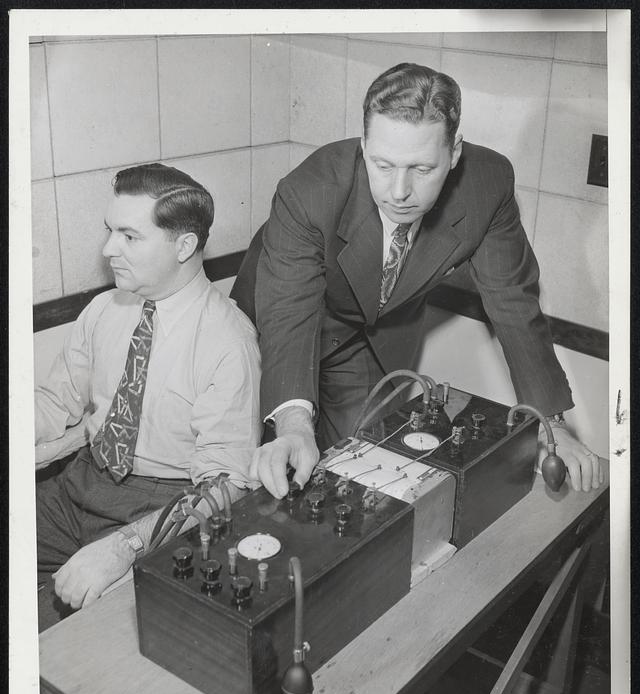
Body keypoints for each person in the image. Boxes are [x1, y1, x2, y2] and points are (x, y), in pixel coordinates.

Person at [230, 62, 604, 499]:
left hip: (368, 339)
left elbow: (514, 305)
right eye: (382, 165)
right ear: (364, 145)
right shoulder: (310, 190)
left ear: (455, 153)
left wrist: (550, 427)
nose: (399, 191)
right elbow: (289, 315)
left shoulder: (487, 184)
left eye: (423, 169)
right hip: (274, 328)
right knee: (254, 468)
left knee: (358, 477)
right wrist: (294, 424)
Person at [36, 163, 261, 630]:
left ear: (184, 245)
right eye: (109, 232)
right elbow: (56, 402)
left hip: (158, 505)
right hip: (79, 483)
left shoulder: (228, 340)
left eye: (129, 236)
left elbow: (226, 485)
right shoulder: (105, 308)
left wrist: (124, 546)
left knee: (70, 640)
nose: (107, 249)